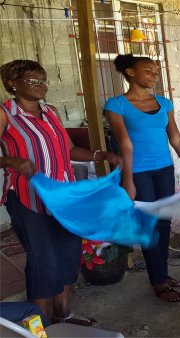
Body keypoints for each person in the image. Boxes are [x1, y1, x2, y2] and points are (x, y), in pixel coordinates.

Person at [0, 60, 120, 326]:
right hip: (27, 196)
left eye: (43, 80)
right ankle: (37, 322)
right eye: (33, 80)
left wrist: (102, 155)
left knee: (67, 249)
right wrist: (11, 161)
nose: (41, 85)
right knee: (43, 256)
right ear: (12, 83)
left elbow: (69, 149)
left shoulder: (51, 111)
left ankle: (62, 313)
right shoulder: (5, 114)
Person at [104, 54, 180, 303]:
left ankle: (161, 273)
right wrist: (128, 181)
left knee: (164, 224)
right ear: (130, 72)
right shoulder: (116, 105)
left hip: (164, 169)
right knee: (149, 225)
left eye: (156, 71)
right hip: (138, 172)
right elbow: (124, 144)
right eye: (148, 71)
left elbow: (176, 139)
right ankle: (159, 282)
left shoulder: (164, 103)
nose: (154, 75)